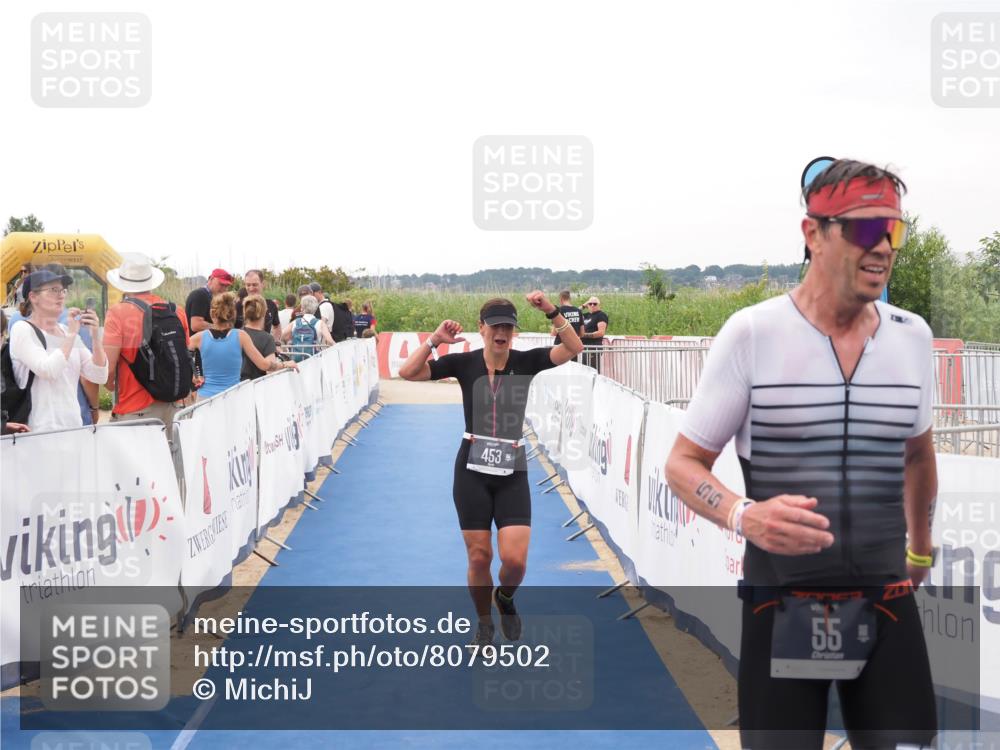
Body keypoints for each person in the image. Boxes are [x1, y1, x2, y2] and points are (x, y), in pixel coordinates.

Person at [665, 159, 936, 750]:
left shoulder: (912, 336)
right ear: (813, 233)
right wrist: (744, 515)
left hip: (887, 599)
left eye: (895, 231)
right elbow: (682, 465)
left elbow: (918, 455)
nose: (884, 247)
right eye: (866, 230)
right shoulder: (753, 333)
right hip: (782, 603)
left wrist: (920, 546)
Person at [398, 293, 584, 647]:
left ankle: (506, 598)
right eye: (495, 325)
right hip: (471, 470)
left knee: (514, 562)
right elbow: (407, 373)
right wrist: (435, 341)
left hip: (512, 469)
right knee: (480, 555)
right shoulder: (464, 363)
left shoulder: (528, 361)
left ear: (514, 332)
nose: (502, 331)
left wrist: (550, 311)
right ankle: (484, 624)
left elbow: (572, 347)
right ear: (481, 329)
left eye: (508, 326)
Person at [103, 253, 192, 443]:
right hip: (173, 407)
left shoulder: (117, 313)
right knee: (170, 469)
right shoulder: (177, 311)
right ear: (150, 280)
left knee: (132, 472)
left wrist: (109, 384)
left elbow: (107, 369)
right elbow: (185, 353)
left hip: (135, 410)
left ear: (123, 283)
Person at [8, 267, 108, 431]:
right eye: (54, 290)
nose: (61, 295)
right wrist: (71, 335)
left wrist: (95, 335)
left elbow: (99, 375)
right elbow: (48, 370)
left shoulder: (67, 331)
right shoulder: (22, 329)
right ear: (33, 297)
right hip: (37, 432)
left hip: (73, 427)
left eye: (63, 290)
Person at [190, 292, 295, 400]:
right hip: (233, 397)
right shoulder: (240, 336)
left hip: (205, 398)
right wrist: (285, 364)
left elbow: (181, 358)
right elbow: (264, 365)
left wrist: (195, 373)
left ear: (212, 314)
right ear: (234, 314)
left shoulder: (198, 338)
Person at [281, 295, 333, 360]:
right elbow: (330, 341)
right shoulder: (320, 323)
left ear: (302, 308)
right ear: (316, 308)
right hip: (315, 359)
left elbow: (280, 336)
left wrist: (286, 350)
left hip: (297, 360)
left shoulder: (295, 322)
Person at [240, 295, 279, 381]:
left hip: (235, 387)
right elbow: (270, 371)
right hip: (256, 387)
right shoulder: (267, 339)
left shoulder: (236, 334)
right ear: (264, 312)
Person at [235, 269, 282, 338]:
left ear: (263, 284)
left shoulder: (271, 305)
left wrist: (276, 343)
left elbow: (277, 326)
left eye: (254, 285)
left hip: (264, 347)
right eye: (248, 285)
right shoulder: (238, 306)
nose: (251, 288)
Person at [184, 268, 233, 333]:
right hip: (197, 341)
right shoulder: (200, 295)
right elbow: (196, 325)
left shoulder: (211, 296)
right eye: (221, 284)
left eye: (226, 286)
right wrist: (220, 327)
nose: (224, 289)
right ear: (211, 279)